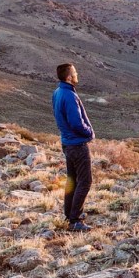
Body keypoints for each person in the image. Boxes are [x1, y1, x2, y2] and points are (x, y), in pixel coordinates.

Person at [52, 63, 95, 232]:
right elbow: (76, 122)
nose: (77, 75)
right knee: (85, 181)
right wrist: (88, 132)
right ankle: (75, 220)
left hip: (67, 142)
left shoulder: (57, 92)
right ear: (69, 77)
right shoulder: (69, 95)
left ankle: (69, 214)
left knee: (73, 180)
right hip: (77, 144)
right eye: (75, 73)